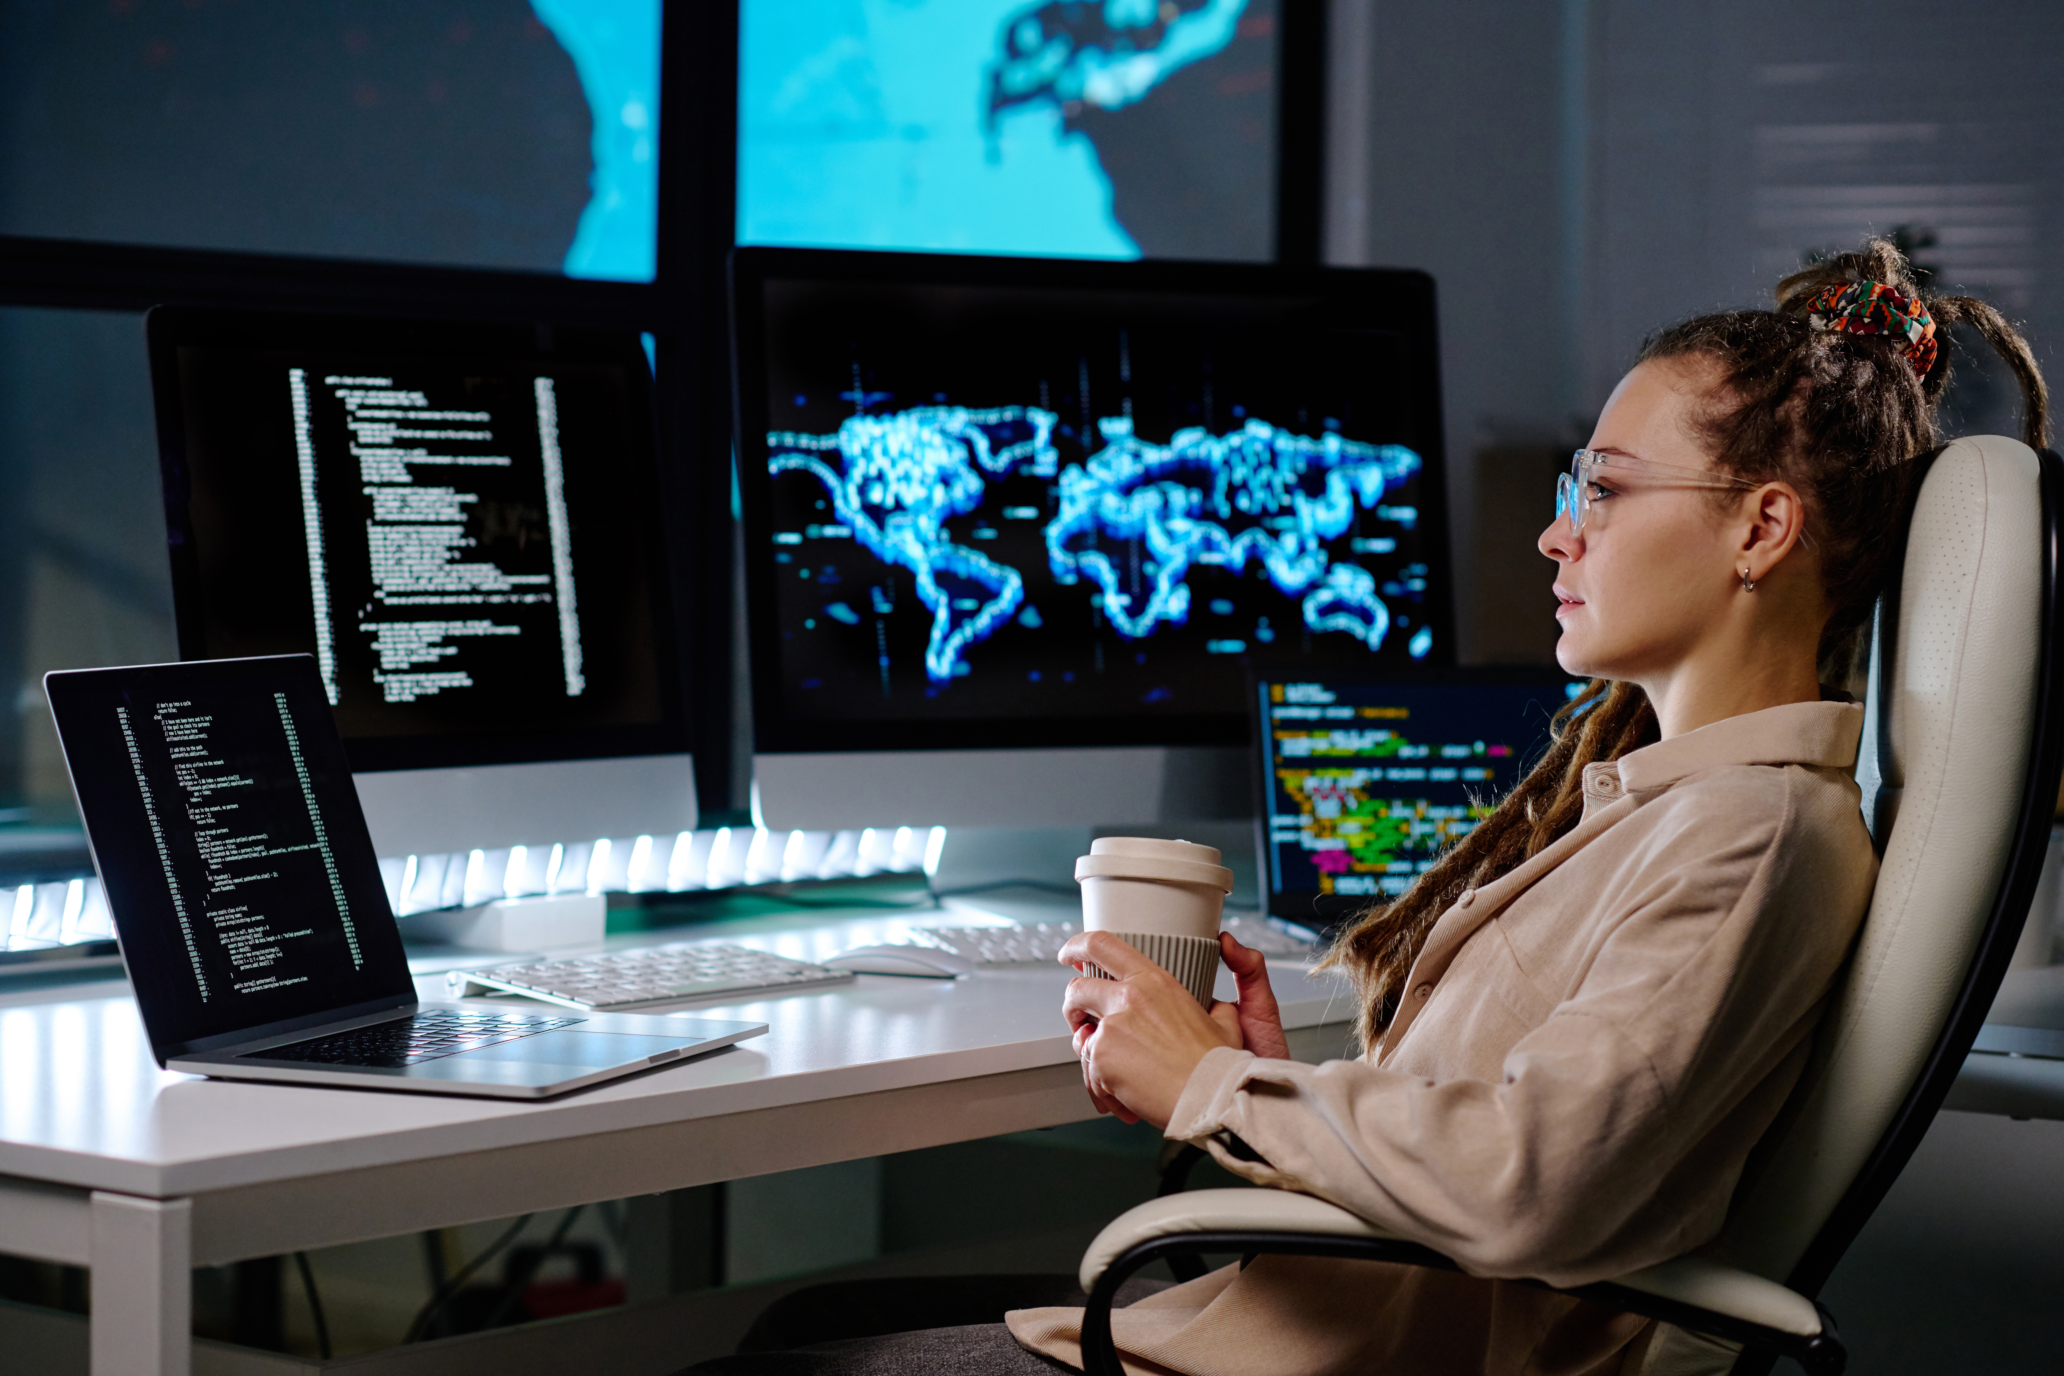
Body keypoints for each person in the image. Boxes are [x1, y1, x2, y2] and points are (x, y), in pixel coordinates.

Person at [682, 239, 2048, 1375]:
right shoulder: (1675, 810)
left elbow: (1531, 1181)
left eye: (1608, 492)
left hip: (1343, 1361)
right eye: (1574, 489)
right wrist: (1289, 1083)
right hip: (1308, 1328)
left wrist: (1212, 1083)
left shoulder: (1749, 839)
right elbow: (1539, 1109)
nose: (1555, 531)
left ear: (1762, 528)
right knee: (811, 1324)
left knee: (790, 1352)